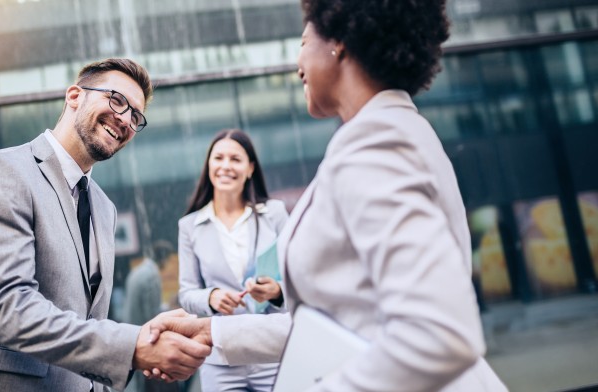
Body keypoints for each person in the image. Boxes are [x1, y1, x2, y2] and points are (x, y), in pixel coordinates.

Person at [148, 0, 508, 390]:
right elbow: (344, 324)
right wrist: (212, 331)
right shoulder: (390, 131)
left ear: (338, 42)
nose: (297, 62)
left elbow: (440, 334)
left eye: (303, 41)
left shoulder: (377, 143)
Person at [0, 58, 211, 392]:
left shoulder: (104, 208)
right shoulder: (1, 171)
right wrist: (131, 346)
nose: (125, 119)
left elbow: (87, 322)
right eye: (117, 100)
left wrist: (141, 346)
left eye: (136, 116)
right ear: (74, 96)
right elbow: (7, 308)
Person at [177, 129, 289, 391]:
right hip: (220, 358)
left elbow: (298, 276)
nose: (226, 166)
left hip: (271, 352)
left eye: (235, 159)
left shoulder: (274, 214)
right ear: (209, 165)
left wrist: (277, 292)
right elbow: (186, 293)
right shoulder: (190, 226)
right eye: (219, 158)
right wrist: (211, 297)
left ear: (250, 168)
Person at [122, 240, 172, 392]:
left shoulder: (138, 271)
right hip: (142, 336)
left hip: (130, 332)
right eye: (168, 259)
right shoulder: (152, 275)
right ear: (162, 258)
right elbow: (152, 316)